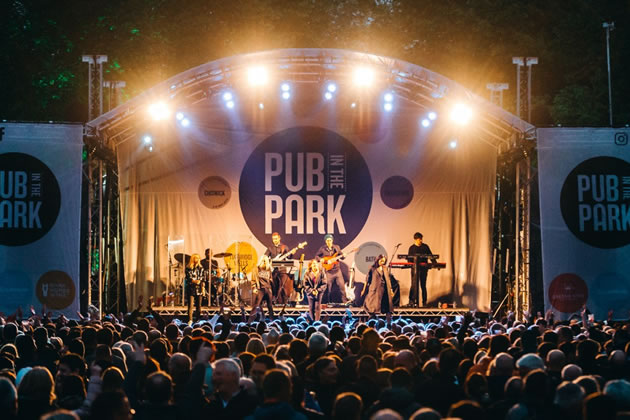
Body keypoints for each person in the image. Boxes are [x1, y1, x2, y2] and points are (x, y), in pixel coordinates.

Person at [316, 234, 348, 305]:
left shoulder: (336, 248)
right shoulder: (322, 249)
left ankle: (345, 302)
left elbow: (341, 256)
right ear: (325, 241)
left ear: (332, 240)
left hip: (337, 271)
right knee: (327, 288)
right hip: (328, 272)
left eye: (330, 240)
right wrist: (322, 260)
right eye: (327, 240)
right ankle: (326, 303)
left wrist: (344, 256)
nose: (329, 242)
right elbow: (317, 257)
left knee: (342, 286)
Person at [407, 233, 436, 307]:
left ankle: (424, 302)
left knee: (423, 285)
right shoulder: (411, 248)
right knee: (413, 285)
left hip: (423, 269)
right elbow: (409, 259)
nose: (421, 240)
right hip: (414, 270)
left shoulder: (425, 247)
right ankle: (411, 301)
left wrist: (435, 263)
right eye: (419, 239)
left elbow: (431, 256)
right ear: (415, 239)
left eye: (421, 239)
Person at [264, 232, 293, 304]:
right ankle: (276, 300)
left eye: (276, 239)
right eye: (273, 239)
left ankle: (284, 301)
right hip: (274, 270)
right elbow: (265, 256)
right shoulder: (270, 248)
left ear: (279, 238)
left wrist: (292, 253)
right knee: (275, 285)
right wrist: (268, 262)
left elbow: (289, 257)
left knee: (283, 285)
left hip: (282, 269)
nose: (275, 240)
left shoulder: (284, 247)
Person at [249, 255, 275, 321]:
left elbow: (271, 280)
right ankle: (250, 320)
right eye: (263, 261)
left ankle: (272, 320)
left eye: (265, 261)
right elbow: (253, 279)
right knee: (256, 305)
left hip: (268, 289)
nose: (264, 262)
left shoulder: (268, 269)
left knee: (270, 306)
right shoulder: (256, 269)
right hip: (260, 289)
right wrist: (254, 287)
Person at [185, 253, 204, 323]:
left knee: (198, 306)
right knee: (190, 305)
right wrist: (195, 281)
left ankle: (197, 320)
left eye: (198, 258)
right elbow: (188, 278)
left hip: (199, 289)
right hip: (191, 288)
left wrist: (198, 282)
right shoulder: (188, 268)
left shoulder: (201, 268)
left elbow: (202, 277)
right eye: (195, 258)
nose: (197, 259)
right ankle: (190, 320)